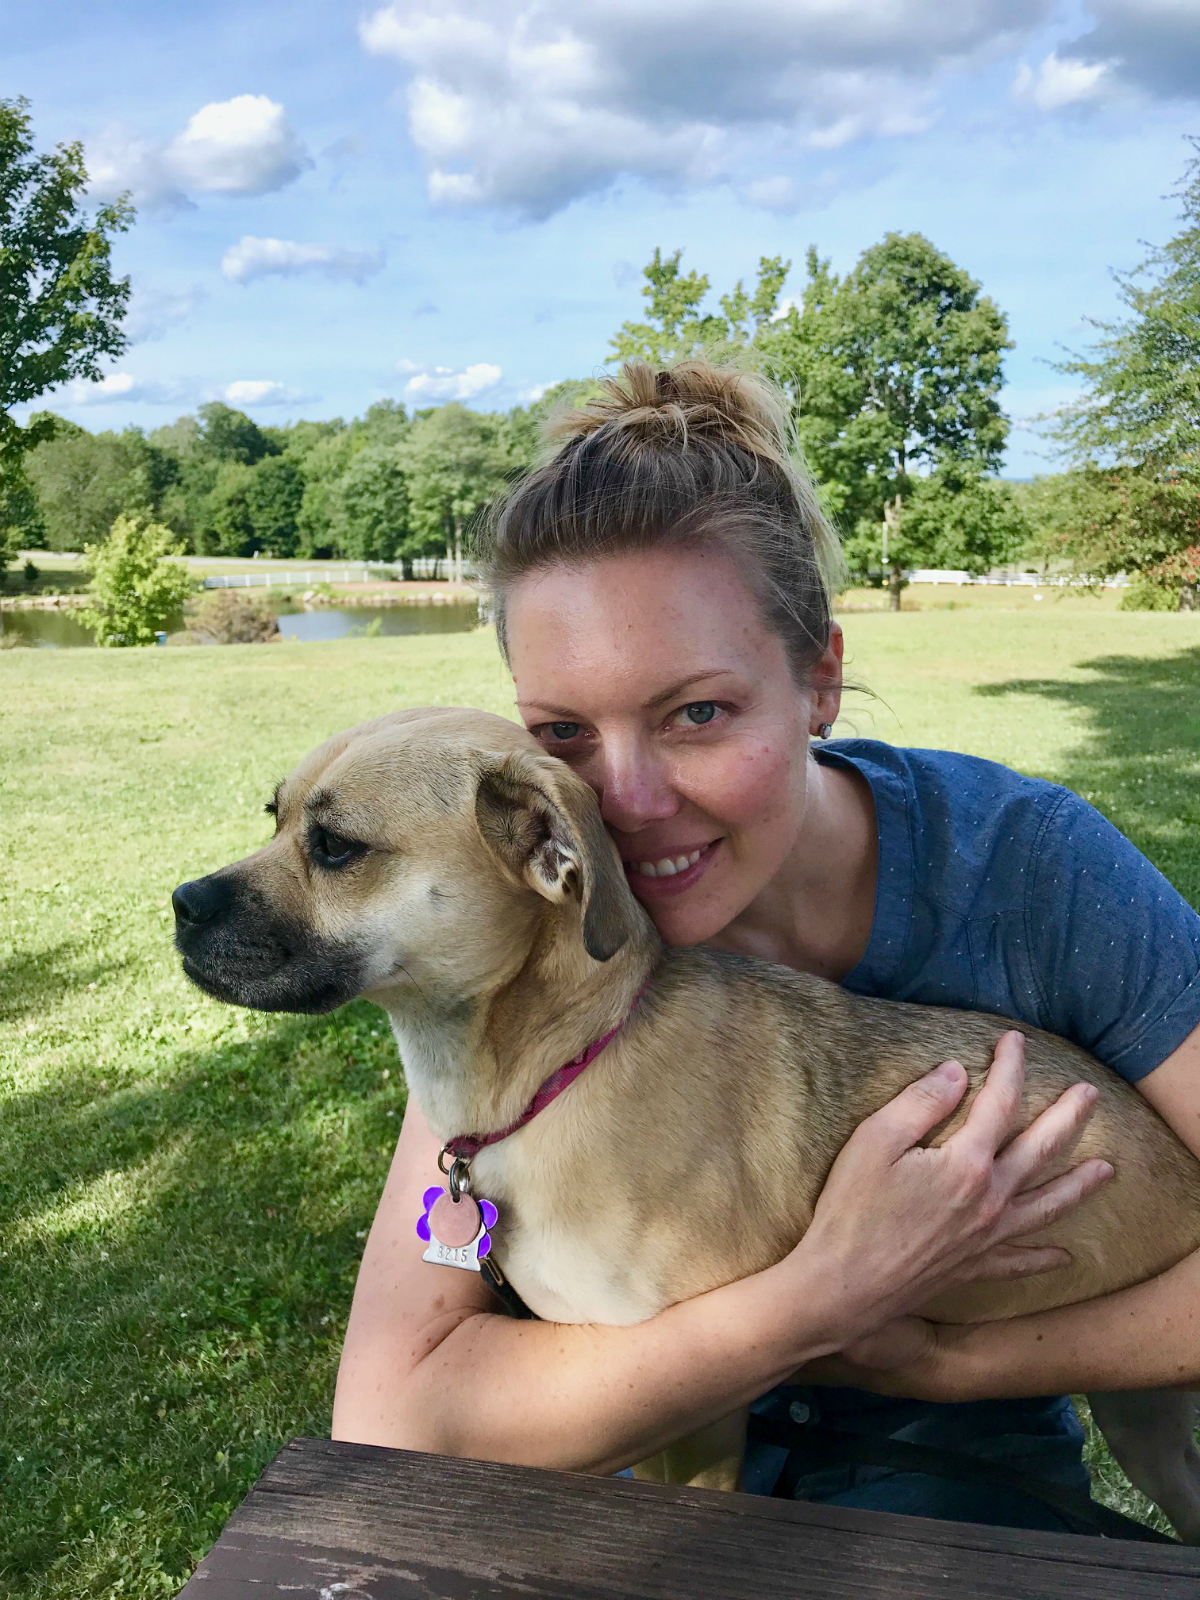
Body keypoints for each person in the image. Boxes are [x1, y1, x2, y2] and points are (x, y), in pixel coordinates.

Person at [332, 360, 1200, 1532]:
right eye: (565, 732)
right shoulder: (535, 910)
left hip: (960, 1485)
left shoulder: (1028, 869)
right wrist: (817, 1298)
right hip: (659, 1480)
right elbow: (395, 1419)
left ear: (820, 678)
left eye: (698, 712)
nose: (627, 801)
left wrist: (947, 1363)